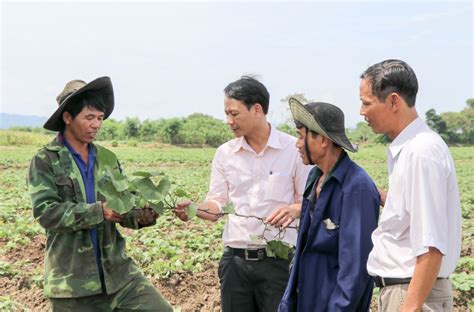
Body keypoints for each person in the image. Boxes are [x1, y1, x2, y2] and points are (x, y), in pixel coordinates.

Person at [28, 77, 173, 311]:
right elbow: (47, 213)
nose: (96, 125)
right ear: (67, 117)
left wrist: (142, 214)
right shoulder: (46, 160)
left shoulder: (107, 159)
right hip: (73, 284)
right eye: (89, 118)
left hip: (119, 275)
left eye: (100, 118)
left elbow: (124, 205)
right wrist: (98, 211)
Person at [174, 76, 311, 312]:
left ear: (257, 109)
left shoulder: (293, 150)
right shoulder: (225, 154)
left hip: (278, 262)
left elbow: (308, 203)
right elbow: (217, 205)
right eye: (226, 114)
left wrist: (292, 209)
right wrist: (194, 208)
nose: (229, 121)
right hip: (235, 264)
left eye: (234, 114)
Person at [359, 59, 462, 311]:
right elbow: (410, 213)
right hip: (405, 291)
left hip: (412, 293)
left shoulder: (420, 151)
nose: (362, 112)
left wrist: (410, 306)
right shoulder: (411, 149)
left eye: (366, 103)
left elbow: (431, 242)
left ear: (393, 101)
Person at [278, 99, 380, 311]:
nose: (297, 144)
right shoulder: (314, 178)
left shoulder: (355, 187)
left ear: (323, 140)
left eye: (300, 136)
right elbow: (303, 251)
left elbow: (355, 269)